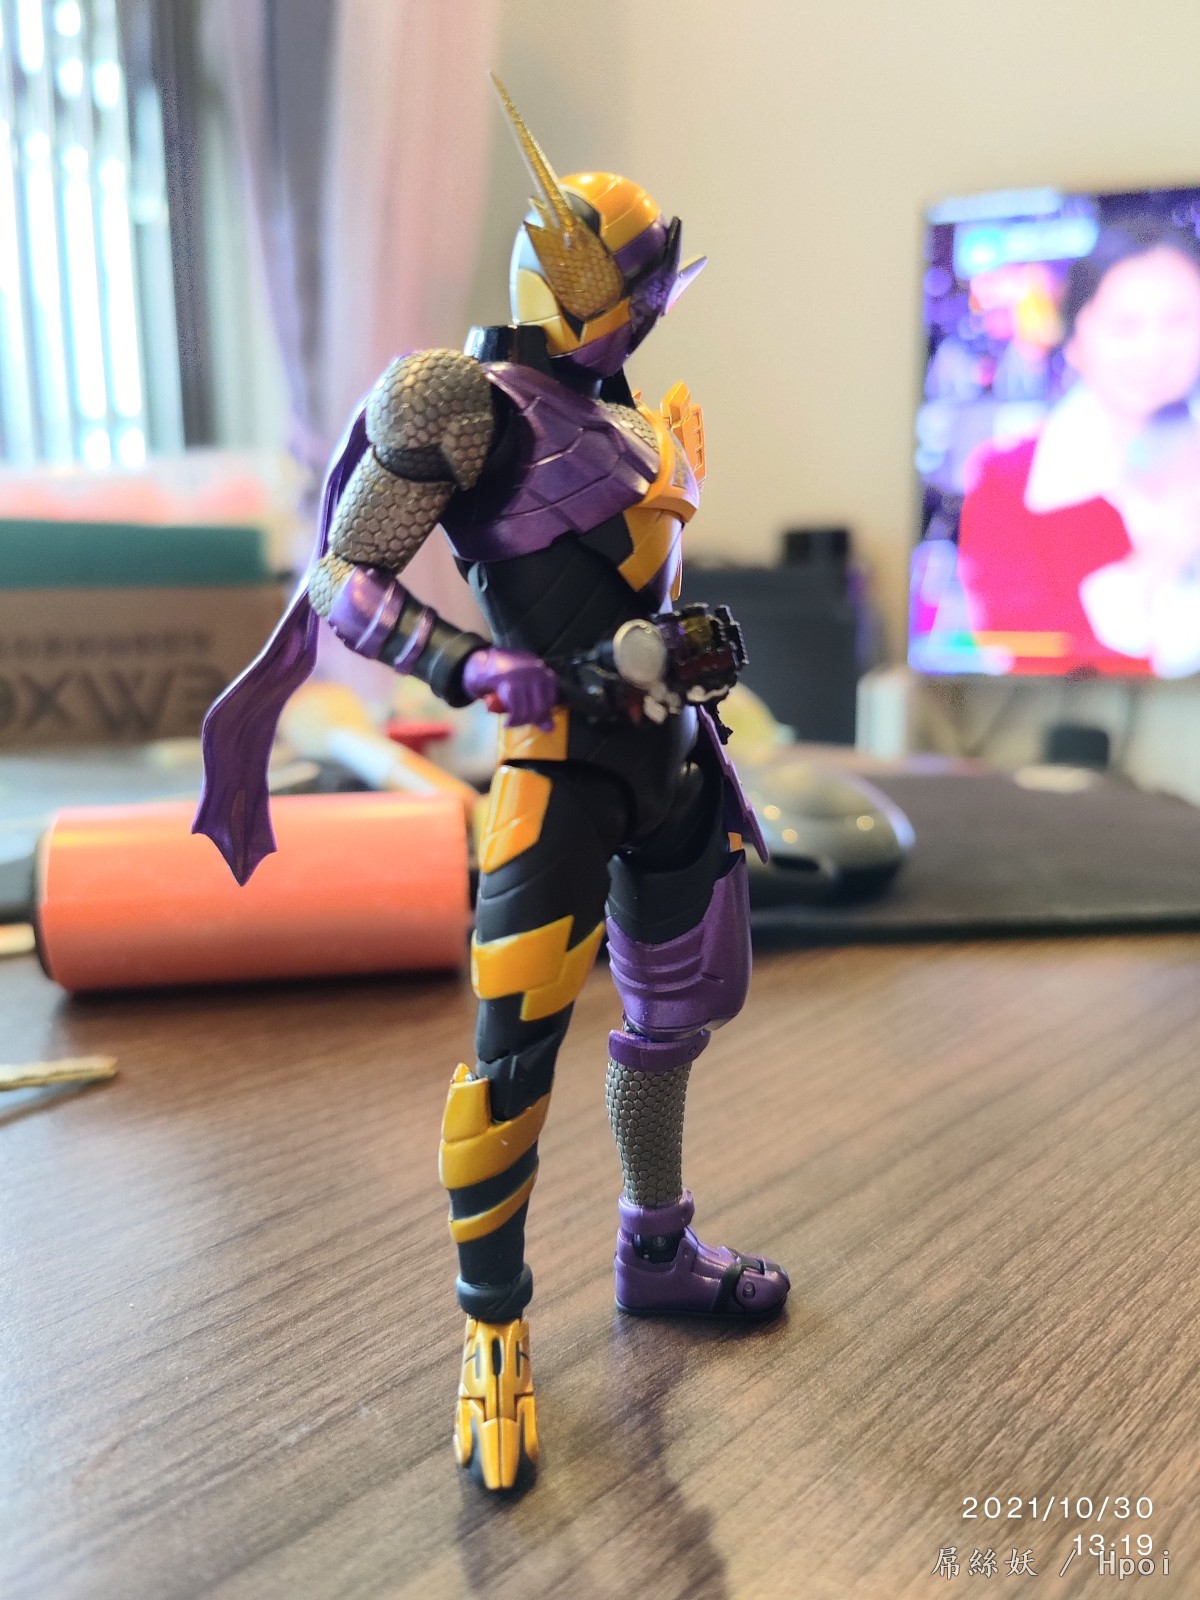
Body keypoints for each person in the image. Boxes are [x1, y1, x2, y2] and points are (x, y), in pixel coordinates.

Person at [193, 78, 789, 1493]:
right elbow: (344, 580)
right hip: (554, 774)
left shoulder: (634, 420)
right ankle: (494, 1333)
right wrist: (468, 665)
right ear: (572, 278)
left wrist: (697, 652)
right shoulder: (460, 403)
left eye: (652, 291)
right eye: (629, 288)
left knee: (671, 1023)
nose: (642, 315)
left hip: (671, 760)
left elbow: (639, 597)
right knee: (510, 1063)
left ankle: (654, 1247)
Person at [956, 221, 1200, 676]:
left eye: (1178, 322)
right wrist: (1161, 557)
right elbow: (1022, 654)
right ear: (1074, 340)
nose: (1154, 350)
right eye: (1126, 326)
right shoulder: (1006, 479)